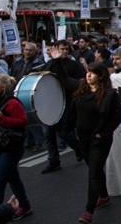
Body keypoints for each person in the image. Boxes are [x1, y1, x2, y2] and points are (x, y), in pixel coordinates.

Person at [71, 62, 121, 224]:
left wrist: (102, 133)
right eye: (87, 72)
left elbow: (117, 117)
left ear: (100, 76)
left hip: (99, 140)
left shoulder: (109, 94)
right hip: (83, 138)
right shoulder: (81, 91)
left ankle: (88, 211)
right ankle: (104, 196)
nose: (88, 75)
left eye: (93, 73)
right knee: (95, 167)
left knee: (93, 172)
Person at [0, 74, 32, 220]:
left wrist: (3, 119)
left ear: (3, 88)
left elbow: (22, 122)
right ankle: (25, 206)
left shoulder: (12, 103)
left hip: (11, 147)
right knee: (13, 178)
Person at [41, 41, 84, 174]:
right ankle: (53, 162)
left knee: (63, 131)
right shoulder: (49, 64)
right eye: (61, 49)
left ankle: (78, 147)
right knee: (48, 134)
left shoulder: (74, 65)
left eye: (66, 49)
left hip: (67, 101)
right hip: (51, 101)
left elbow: (79, 83)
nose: (64, 51)